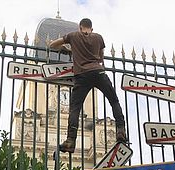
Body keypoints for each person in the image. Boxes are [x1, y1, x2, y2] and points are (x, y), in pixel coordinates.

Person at [49, 18, 126, 153]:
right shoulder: (98, 38)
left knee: (75, 108)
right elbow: (101, 57)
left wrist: (66, 48)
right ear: (91, 28)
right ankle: (121, 130)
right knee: (113, 100)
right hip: (99, 72)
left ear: (80, 27)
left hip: (82, 76)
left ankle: (70, 141)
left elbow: (52, 45)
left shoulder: (73, 36)